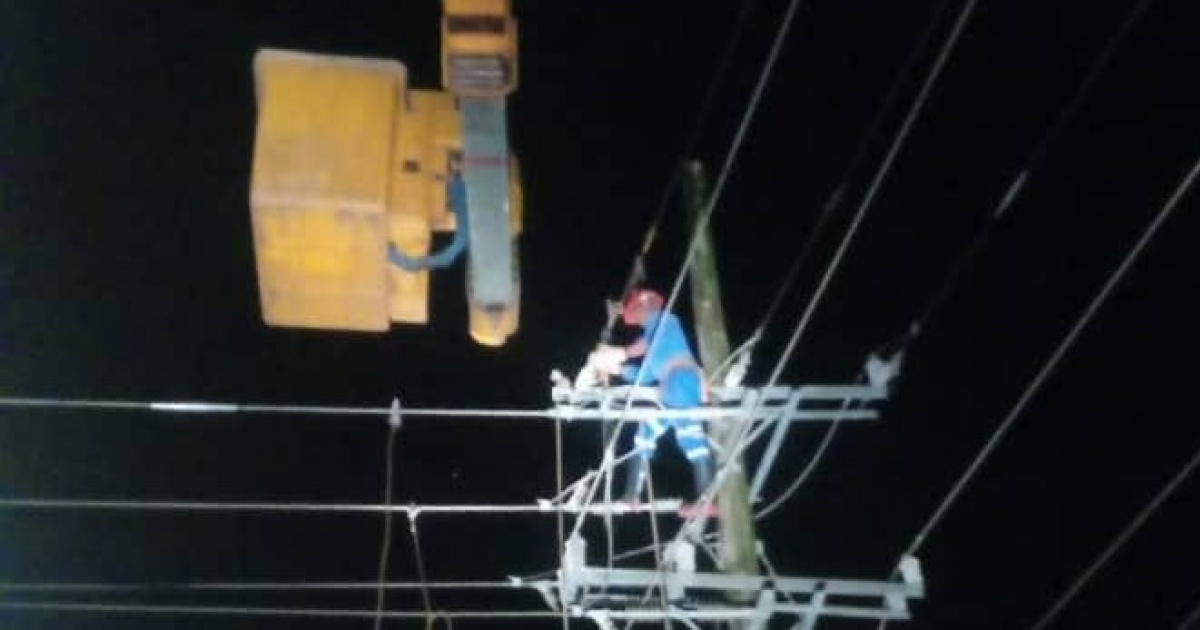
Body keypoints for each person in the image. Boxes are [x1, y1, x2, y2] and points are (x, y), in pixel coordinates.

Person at [589, 288, 716, 512]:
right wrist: (616, 368)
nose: (637, 317)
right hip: (673, 389)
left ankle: (706, 500)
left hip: (681, 383)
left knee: (691, 438)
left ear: (644, 306)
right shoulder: (652, 342)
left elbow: (645, 345)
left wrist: (620, 354)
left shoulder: (665, 320)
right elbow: (644, 375)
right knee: (645, 435)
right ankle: (632, 496)